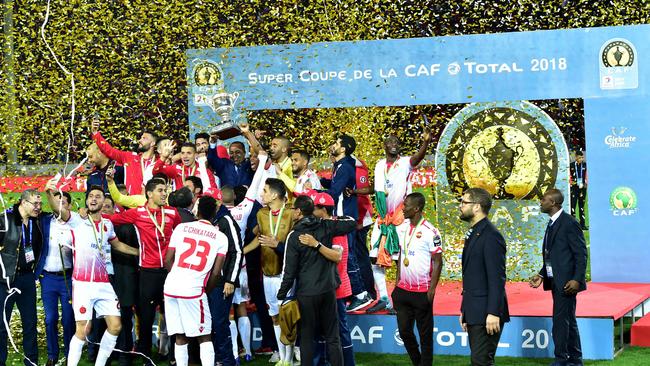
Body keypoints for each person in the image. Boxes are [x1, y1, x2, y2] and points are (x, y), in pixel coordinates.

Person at [51, 185, 139, 366]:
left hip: (104, 283)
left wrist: (140, 252)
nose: (93, 199)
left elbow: (117, 245)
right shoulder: (76, 220)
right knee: (83, 330)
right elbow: (56, 208)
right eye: (90, 196)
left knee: (115, 326)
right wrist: (48, 192)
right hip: (83, 284)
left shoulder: (108, 225)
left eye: (97, 196)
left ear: (104, 201)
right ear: (86, 200)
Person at [106, 179, 182, 362]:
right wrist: (86, 215)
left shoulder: (173, 213)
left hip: (170, 273)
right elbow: (111, 219)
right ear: (149, 193)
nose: (165, 194)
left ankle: (174, 356)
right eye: (161, 190)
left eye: (166, 190)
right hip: (148, 274)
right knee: (146, 319)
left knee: (172, 317)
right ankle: (146, 357)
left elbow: (182, 233)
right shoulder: (137, 213)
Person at [277, 195, 356, 366]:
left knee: (307, 338)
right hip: (328, 290)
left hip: (307, 294)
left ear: (298, 212)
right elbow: (351, 223)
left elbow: (289, 271)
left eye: (293, 209)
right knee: (333, 337)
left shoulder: (294, 235)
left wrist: (281, 295)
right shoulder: (326, 225)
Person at [368, 131, 431, 314]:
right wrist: (356, 192)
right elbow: (377, 187)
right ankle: (384, 298)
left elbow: (417, 158)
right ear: (385, 146)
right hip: (382, 218)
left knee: (398, 260)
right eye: (390, 141)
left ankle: (398, 300)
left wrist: (425, 143)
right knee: (374, 258)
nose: (394, 144)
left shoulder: (404, 163)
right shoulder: (379, 165)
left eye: (397, 141)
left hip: (399, 219)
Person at [163, 196, 229, 366]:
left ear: (197, 211)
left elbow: (168, 260)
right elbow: (216, 273)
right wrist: (206, 290)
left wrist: (178, 275)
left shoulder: (181, 228)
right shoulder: (220, 237)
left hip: (171, 287)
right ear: (214, 213)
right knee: (205, 335)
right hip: (194, 290)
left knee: (180, 335)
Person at [529, 189, 588, 366]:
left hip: (567, 283)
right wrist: (541, 274)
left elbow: (581, 254)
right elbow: (553, 254)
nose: (541, 202)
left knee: (561, 321)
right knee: (567, 320)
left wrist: (577, 279)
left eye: (544, 199)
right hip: (556, 280)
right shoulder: (553, 222)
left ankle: (562, 359)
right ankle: (575, 359)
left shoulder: (569, 223)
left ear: (553, 203)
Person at [243, 178, 293, 365]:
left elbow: (296, 244)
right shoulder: (262, 214)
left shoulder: (290, 214)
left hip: (285, 274)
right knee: (274, 314)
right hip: (267, 273)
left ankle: (292, 351)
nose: (261, 194)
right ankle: (281, 354)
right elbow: (260, 238)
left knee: (287, 314)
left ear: (274, 195)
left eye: (264, 190)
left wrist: (277, 245)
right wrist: (243, 251)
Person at [320, 135, 372, 312]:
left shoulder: (345, 166)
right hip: (344, 216)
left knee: (348, 257)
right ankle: (354, 293)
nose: (332, 145)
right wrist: (320, 182)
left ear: (343, 148)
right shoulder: (342, 165)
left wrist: (316, 195)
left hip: (344, 218)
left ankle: (360, 294)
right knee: (346, 256)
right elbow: (335, 185)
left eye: (336, 142)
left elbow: (335, 193)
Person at [459, 188, 509, 366]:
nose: (460, 206)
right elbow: (471, 276)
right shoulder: (475, 232)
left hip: (486, 313)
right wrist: (465, 309)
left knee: (481, 362)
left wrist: (493, 312)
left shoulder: (491, 236)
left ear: (477, 207)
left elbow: (496, 278)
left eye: (464, 202)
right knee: (478, 361)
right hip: (475, 310)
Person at [392, 192, 442, 366]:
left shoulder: (431, 232)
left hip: (422, 292)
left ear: (416, 208)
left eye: (406, 205)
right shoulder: (401, 228)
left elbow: (437, 261)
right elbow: (400, 257)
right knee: (405, 332)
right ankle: (418, 362)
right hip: (403, 291)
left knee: (425, 335)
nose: (403, 208)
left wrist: (432, 289)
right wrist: (397, 282)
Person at [309, 192, 356, 366]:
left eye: (315, 207)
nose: (312, 210)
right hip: (323, 287)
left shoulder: (337, 230)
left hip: (337, 288)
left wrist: (316, 245)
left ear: (323, 210)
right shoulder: (325, 227)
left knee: (340, 330)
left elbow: (337, 257)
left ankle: (348, 363)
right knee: (321, 330)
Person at [0, 189, 45, 366]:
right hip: (5, 280)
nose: (38, 207)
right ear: (23, 202)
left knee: (30, 323)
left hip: (27, 279)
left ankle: (31, 362)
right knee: (2, 325)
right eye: (35, 203)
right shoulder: (4, 219)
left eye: (40, 204)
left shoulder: (38, 221)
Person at [100, 196, 140, 366]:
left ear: (114, 210)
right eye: (102, 207)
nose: (104, 210)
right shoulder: (93, 228)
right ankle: (106, 354)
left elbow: (129, 251)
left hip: (122, 278)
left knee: (123, 315)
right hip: (104, 278)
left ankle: (124, 354)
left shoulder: (125, 227)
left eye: (108, 207)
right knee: (105, 318)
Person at [38, 187, 75, 366]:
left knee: (68, 319)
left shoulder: (75, 223)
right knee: (50, 318)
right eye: (57, 202)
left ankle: (70, 354)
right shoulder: (45, 221)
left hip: (68, 278)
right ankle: (52, 355)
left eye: (64, 203)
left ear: (69, 206)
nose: (60, 206)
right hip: (48, 277)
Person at [207, 188, 243, 366]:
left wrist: (230, 280)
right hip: (208, 280)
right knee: (211, 322)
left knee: (219, 322)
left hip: (222, 281)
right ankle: (215, 359)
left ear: (218, 202)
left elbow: (237, 251)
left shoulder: (226, 220)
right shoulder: (210, 219)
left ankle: (227, 360)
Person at [91, 117, 158, 195]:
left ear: (153, 143)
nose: (140, 140)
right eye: (141, 138)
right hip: (131, 202)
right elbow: (109, 150)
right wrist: (95, 133)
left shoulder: (159, 162)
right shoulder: (129, 157)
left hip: (151, 203)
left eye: (144, 138)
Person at [569, 151, 588, 230]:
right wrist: (574, 183)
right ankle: (573, 225)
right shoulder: (571, 165)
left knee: (581, 206)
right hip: (574, 188)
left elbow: (587, 176)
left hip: (582, 188)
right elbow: (569, 177)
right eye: (580, 157)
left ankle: (583, 225)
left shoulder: (585, 165)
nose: (581, 159)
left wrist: (585, 184)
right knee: (573, 206)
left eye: (582, 157)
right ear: (576, 157)